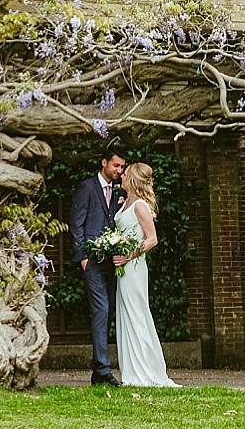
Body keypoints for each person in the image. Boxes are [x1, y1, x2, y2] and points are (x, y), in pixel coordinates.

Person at [111, 162, 180, 387]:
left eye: (126, 172)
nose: (121, 175)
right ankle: (131, 371)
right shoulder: (125, 202)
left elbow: (152, 239)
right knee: (126, 316)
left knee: (137, 315)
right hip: (124, 269)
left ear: (133, 178)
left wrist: (128, 256)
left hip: (134, 268)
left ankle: (145, 371)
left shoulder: (140, 205)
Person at [70, 147, 126, 386]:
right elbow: (76, 223)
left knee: (108, 310)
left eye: (122, 167)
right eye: (116, 166)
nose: (119, 170)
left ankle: (98, 369)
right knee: (101, 309)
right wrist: (82, 256)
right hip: (92, 261)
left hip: (111, 261)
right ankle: (103, 369)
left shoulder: (118, 192)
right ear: (104, 163)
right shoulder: (87, 187)